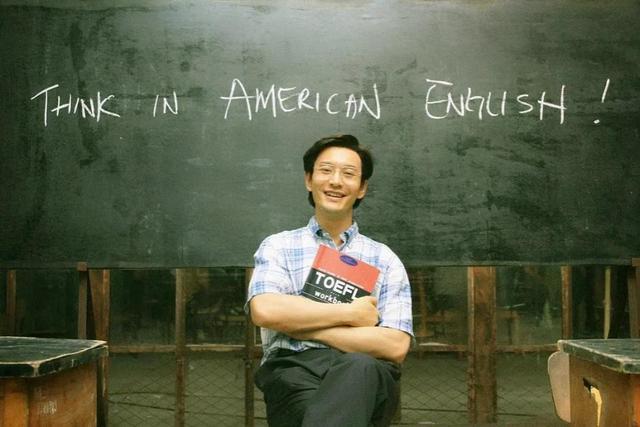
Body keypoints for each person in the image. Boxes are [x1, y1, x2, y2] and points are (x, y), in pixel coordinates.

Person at [246, 134, 413, 427]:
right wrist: (350, 314)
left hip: (368, 373)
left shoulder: (385, 259)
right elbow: (265, 311)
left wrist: (298, 325)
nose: (336, 181)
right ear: (309, 180)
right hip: (295, 370)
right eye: (326, 170)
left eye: (348, 174)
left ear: (362, 188)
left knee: (360, 365)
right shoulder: (278, 246)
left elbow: (395, 346)